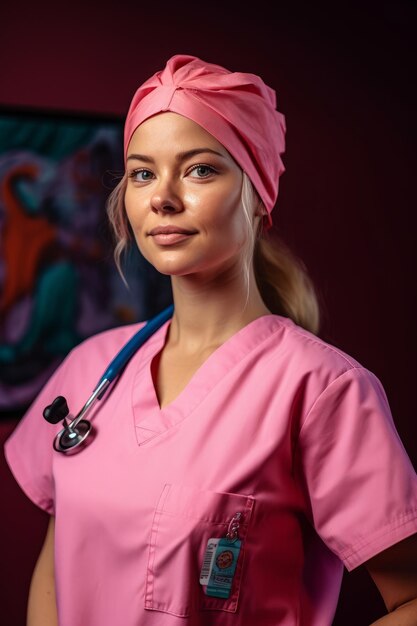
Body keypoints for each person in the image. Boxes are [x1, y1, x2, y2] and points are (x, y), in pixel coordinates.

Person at [4, 54, 417, 626]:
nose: (163, 198)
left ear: (258, 195)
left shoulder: (324, 390)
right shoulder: (90, 368)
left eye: (199, 169)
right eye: (143, 173)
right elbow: (57, 566)